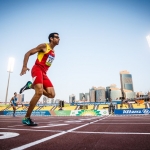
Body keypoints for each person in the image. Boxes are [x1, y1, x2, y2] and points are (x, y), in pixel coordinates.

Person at [19, 32, 60, 126]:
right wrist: (24, 66)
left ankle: (30, 85)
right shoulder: (44, 46)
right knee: (39, 93)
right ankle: (26, 118)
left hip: (44, 73)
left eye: (59, 38)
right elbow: (28, 53)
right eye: (57, 37)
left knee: (51, 94)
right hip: (37, 69)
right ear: (51, 39)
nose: (59, 39)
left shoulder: (53, 52)